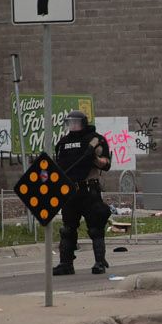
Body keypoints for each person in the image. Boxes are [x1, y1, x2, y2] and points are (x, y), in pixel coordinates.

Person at [51, 110, 112, 275]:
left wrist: (94, 158)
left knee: (95, 227)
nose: (73, 125)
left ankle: (99, 262)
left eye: (76, 122)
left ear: (83, 122)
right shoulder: (63, 143)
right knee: (67, 229)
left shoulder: (95, 140)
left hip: (89, 189)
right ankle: (66, 263)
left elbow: (106, 164)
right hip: (70, 191)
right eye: (70, 122)